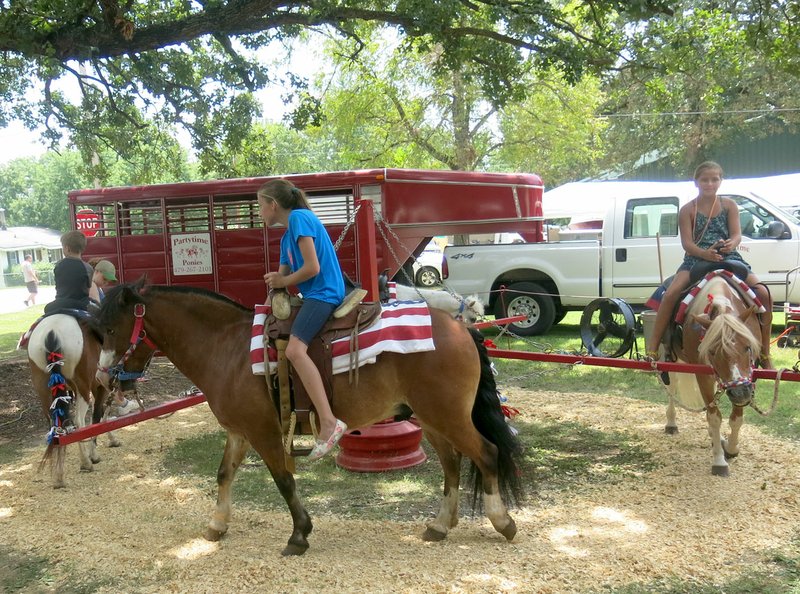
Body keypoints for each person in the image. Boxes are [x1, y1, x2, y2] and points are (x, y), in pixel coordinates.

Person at [646, 161, 773, 369]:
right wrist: (705, 253)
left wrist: (732, 243)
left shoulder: (729, 205)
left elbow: (736, 234)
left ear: (721, 181)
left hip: (729, 258)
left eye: (714, 179)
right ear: (696, 182)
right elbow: (687, 244)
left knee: (765, 294)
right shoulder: (688, 209)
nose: (710, 184)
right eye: (705, 180)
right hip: (696, 260)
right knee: (670, 294)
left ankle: (765, 354)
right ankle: (653, 348)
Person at [257, 179, 347, 461]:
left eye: (260, 206)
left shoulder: (299, 218)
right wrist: (273, 291)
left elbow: (312, 268)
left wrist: (283, 279)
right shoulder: (286, 238)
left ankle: (329, 422)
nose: (260, 212)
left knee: (296, 350)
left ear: (273, 205)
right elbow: (282, 280)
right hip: (314, 294)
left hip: (325, 292)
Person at [44, 231, 94, 314]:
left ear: (67, 248)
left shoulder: (59, 265)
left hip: (59, 303)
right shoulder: (87, 268)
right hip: (81, 304)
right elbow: (88, 289)